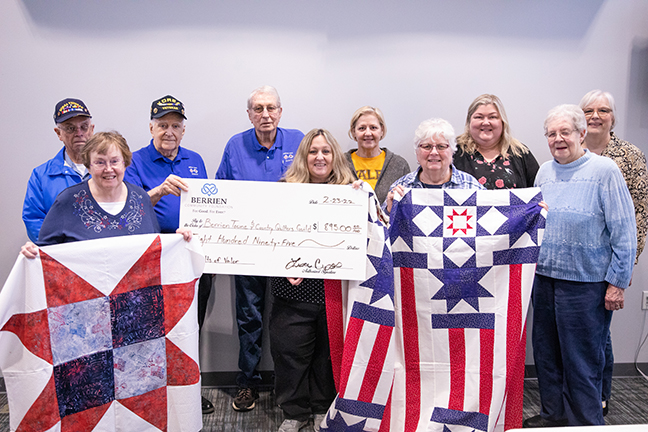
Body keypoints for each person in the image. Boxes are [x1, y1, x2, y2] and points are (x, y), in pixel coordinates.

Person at [524, 104, 636, 427]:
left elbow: (624, 231)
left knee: (582, 362)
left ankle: (585, 423)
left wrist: (617, 281)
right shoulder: (544, 171)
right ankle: (553, 415)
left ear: (581, 134)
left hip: (586, 285)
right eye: (552, 134)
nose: (558, 139)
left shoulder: (605, 172)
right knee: (546, 356)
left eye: (565, 132)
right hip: (544, 281)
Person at [123, 95, 214, 414]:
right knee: (151, 328)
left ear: (183, 129)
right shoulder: (133, 160)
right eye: (162, 125)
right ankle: (151, 395)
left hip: (192, 256)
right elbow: (127, 208)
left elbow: (211, 206)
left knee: (190, 325)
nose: (169, 131)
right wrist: (160, 190)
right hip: (154, 259)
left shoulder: (195, 159)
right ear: (151, 127)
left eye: (175, 125)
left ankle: (188, 390)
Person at [215, 85, 304, 411]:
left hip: (289, 246)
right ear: (249, 114)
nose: (265, 115)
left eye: (271, 108)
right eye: (258, 109)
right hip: (247, 248)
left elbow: (318, 179)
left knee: (288, 319)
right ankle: (248, 383)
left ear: (280, 111)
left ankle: (289, 389)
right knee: (249, 317)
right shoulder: (235, 145)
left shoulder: (298, 141)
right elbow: (220, 195)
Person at [270, 129, 356, 432]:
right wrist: (283, 265)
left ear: (335, 157)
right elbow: (268, 237)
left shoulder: (350, 192)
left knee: (325, 355)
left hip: (333, 291)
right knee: (289, 354)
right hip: (290, 290)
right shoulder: (283, 190)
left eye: (326, 152)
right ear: (303, 157)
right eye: (313, 152)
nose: (320, 157)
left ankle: (322, 407)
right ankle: (294, 412)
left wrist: (365, 200)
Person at [579, 89, 648, 416]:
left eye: (603, 110)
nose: (595, 115)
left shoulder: (629, 156)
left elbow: (641, 214)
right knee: (585, 333)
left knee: (598, 334)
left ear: (613, 117)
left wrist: (625, 266)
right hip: (577, 262)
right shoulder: (570, 150)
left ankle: (601, 396)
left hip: (609, 263)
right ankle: (581, 394)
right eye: (589, 110)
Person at [20, 132, 193, 256]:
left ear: (125, 163)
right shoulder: (68, 200)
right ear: (88, 166)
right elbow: (46, 253)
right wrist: (33, 253)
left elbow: (153, 249)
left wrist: (177, 242)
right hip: (84, 302)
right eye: (99, 162)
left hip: (133, 301)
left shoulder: (140, 199)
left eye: (115, 161)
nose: (108, 169)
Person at [23, 98, 95, 242]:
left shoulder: (110, 170)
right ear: (58, 133)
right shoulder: (41, 176)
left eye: (84, 126)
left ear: (92, 129)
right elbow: (34, 221)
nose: (79, 133)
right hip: (63, 256)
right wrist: (64, 248)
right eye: (70, 128)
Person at [385, 118, 484, 215]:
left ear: (452, 151)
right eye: (426, 146)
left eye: (441, 146)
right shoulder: (402, 187)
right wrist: (389, 211)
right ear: (417, 152)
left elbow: (489, 221)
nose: (434, 152)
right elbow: (380, 227)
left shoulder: (471, 187)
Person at [453, 94, 539, 189]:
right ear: (469, 122)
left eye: (492, 117)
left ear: (502, 121)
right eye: (479, 117)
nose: (485, 122)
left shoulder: (520, 152)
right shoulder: (453, 151)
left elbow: (538, 191)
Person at [345, 106, 410, 203]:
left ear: (382, 130)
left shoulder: (399, 165)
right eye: (362, 128)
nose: (368, 133)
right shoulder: (342, 162)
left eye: (373, 128)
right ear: (354, 132)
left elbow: (407, 203)